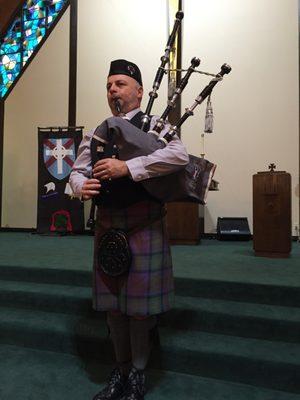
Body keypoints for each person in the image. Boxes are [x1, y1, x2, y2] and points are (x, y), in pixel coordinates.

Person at [69, 59, 189, 400]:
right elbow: (77, 172)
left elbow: (180, 156)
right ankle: (120, 370)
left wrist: (128, 167)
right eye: (109, 86)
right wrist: (80, 186)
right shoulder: (98, 131)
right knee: (114, 307)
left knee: (138, 310)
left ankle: (137, 373)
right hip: (108, 226)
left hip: (143, 224)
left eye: (120, 84)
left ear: (138, 91)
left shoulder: (156, 127)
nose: (112, 91)